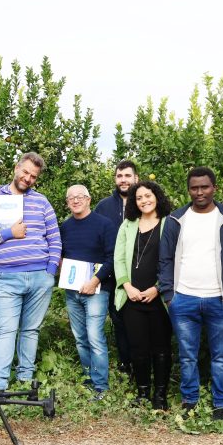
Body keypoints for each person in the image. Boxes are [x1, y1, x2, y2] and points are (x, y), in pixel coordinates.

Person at [159, 167, 223, 420]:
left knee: (221, 356)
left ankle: (221, 404)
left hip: (222, 301)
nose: (199, 192)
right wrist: (169, 296)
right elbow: (165, 260)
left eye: (205, 187)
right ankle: (190, 401)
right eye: (194, 188)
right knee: (187, 356)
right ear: (188, 189)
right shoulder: (176, 220)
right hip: (183, 299)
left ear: (215, 188)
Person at [0, 152, 62, 392]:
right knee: (6, 330)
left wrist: (49, 272)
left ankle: (25, 381)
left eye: (33, 176)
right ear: (16, 168)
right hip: (7, 278)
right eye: (25, 172)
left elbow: (55, 238)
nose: (28, 178)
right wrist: (8, 233)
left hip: (39, 277)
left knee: (31, 329)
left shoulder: (42, 202)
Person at [115, 181, 173, 410]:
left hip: (158, 298)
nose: (144, 201)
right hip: (132, 298)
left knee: (161, 348)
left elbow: (175, 260)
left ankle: (160, 395)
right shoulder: (128, 225)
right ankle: (142, 393)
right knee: (137, 349)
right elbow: (118, 258)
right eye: (139, 198)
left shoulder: (169, 224)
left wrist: (158, 288)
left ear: (156, 196)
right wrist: (126, 286)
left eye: (148, 196)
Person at [59, 184, 116, 400]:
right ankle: (89, 377)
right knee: (80, 337)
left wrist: (94, 281)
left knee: (94, 337)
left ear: (89, 199)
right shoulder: (65, 227)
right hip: (72, 291)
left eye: (80, 197)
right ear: (67, 202)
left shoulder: (104, 225)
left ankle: (101, 385)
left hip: (97, 291)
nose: (75, 201)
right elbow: (63, 256)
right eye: (70, 198)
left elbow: (112, 259)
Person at [94, 159, 139, 374]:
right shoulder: (103, 206)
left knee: (137, 319)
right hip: (110, 275)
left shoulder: (144, 202)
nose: (123, 180)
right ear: (115, 179)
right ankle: (125, 362)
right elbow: (95, 238)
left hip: (139, 273)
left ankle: (140, 362)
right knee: (118, 318)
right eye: (120, 176)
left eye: (127, 176)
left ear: (135, 178)